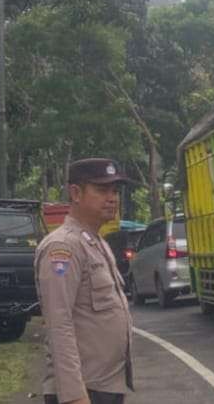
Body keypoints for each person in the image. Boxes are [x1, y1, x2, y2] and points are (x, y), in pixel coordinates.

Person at [35, 158, 135, 404]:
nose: (112, 198)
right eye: (102, 190)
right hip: (84, 390)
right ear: (75, 193)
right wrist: (74, 396)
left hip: (106, 386)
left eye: (114, 191)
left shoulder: (96, 242)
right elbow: (59, 324)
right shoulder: (63, 247)